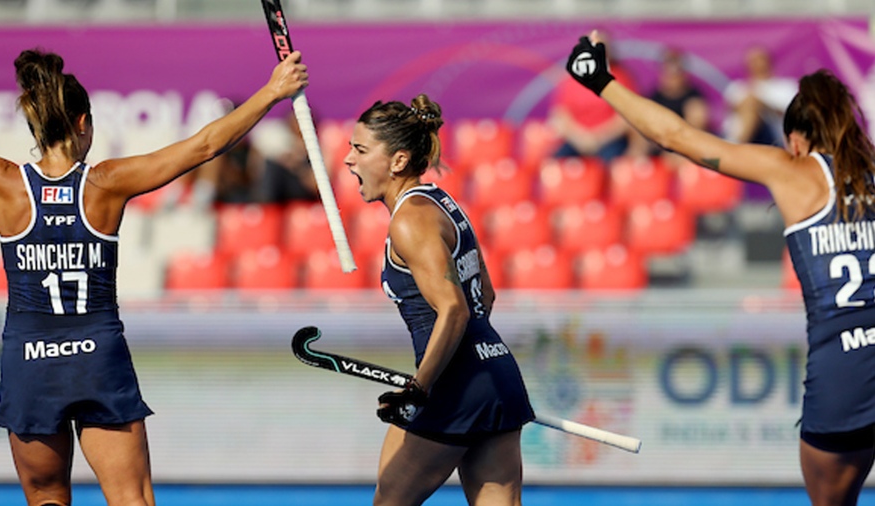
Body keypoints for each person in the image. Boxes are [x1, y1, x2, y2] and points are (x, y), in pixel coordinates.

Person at [0, 48, 307, 505]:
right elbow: (204, 146)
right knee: (131, 498)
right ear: (83, 124)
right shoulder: (106, 183)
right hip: (96, 356)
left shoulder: (4, 183)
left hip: (30, 362)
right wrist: (274, 91)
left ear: (36, 127)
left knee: (46, 498)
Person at [565, 31, 875, 506]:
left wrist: (600, 80)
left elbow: (677, 138)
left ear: (796, 139)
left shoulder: (793, 171)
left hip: (844, 368)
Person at [343, 95, 534, 506]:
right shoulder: (441, 202)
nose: (348, 161)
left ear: (397, 161)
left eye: (359, 150)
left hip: (455, 385)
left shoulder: (410, 220)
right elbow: (485, 293)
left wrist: (421, 386)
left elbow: (455, 308)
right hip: (496, 373)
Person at [547, 32, 643, 165]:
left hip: (610, 141)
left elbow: (626, 118)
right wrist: (581, 139)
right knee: (555, 163)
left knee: (610, 165)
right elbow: (561, 115)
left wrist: (597, 139)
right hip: (577, 141)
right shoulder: (570, 80)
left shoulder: (622, 79)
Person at [723, 46, 797, 147]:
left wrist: (760, 105)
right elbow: (733, 109)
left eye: (760, 59)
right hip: (742, 134)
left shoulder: (786, 87)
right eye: (753, 60)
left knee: (752, 107)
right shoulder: (737, 88)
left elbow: (789, 114)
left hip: (772, 137)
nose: (756, 63)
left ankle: (732, 147)